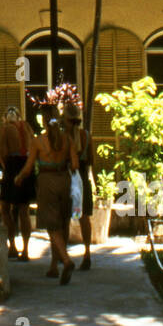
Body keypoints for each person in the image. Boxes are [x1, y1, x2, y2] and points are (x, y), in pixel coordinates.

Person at [16, 103, 78, 284]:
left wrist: (18, 178)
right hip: (64, 179)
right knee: (63, 223)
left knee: (51, 225)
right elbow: (75, 165)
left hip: (46, 181)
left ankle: (65, 260)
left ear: (43, 120)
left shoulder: (38, 141)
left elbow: (28, 168)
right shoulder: (67, 139)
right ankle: (53, 266)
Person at [0, 106, 36, 261]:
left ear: (5, 118)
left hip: (13, 165)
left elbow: (2, 153)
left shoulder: (6, 129)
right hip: (27, 165)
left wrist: (7, 171)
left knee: (5, 207)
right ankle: (25, 250)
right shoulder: (26, 126)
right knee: (23, 210)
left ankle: (12, 246)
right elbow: (33, 146)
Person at [65, 107, 94, 270]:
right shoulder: (87, 136)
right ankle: (87, 253)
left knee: (65, 217)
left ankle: (63, 256)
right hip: (83, 177)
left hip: (68, 176)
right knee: (84, 217)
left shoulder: (64, 137)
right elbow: (91, 161)